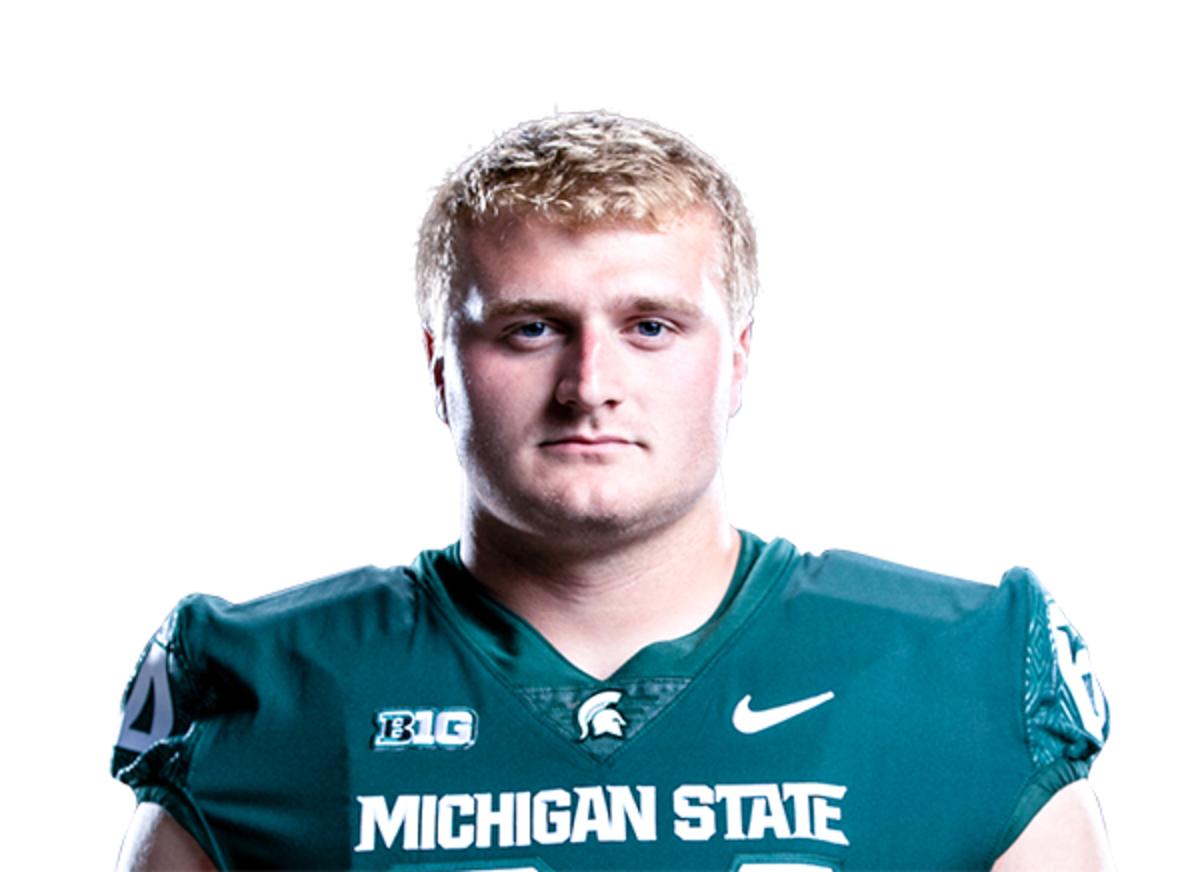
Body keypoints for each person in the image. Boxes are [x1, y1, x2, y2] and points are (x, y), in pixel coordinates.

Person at [112, 111, 1112, 871]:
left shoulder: (958, 670)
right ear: (440, 365)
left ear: (738, 359)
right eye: (531, 328)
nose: (590, 384)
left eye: (650, 327)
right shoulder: (272, 688)